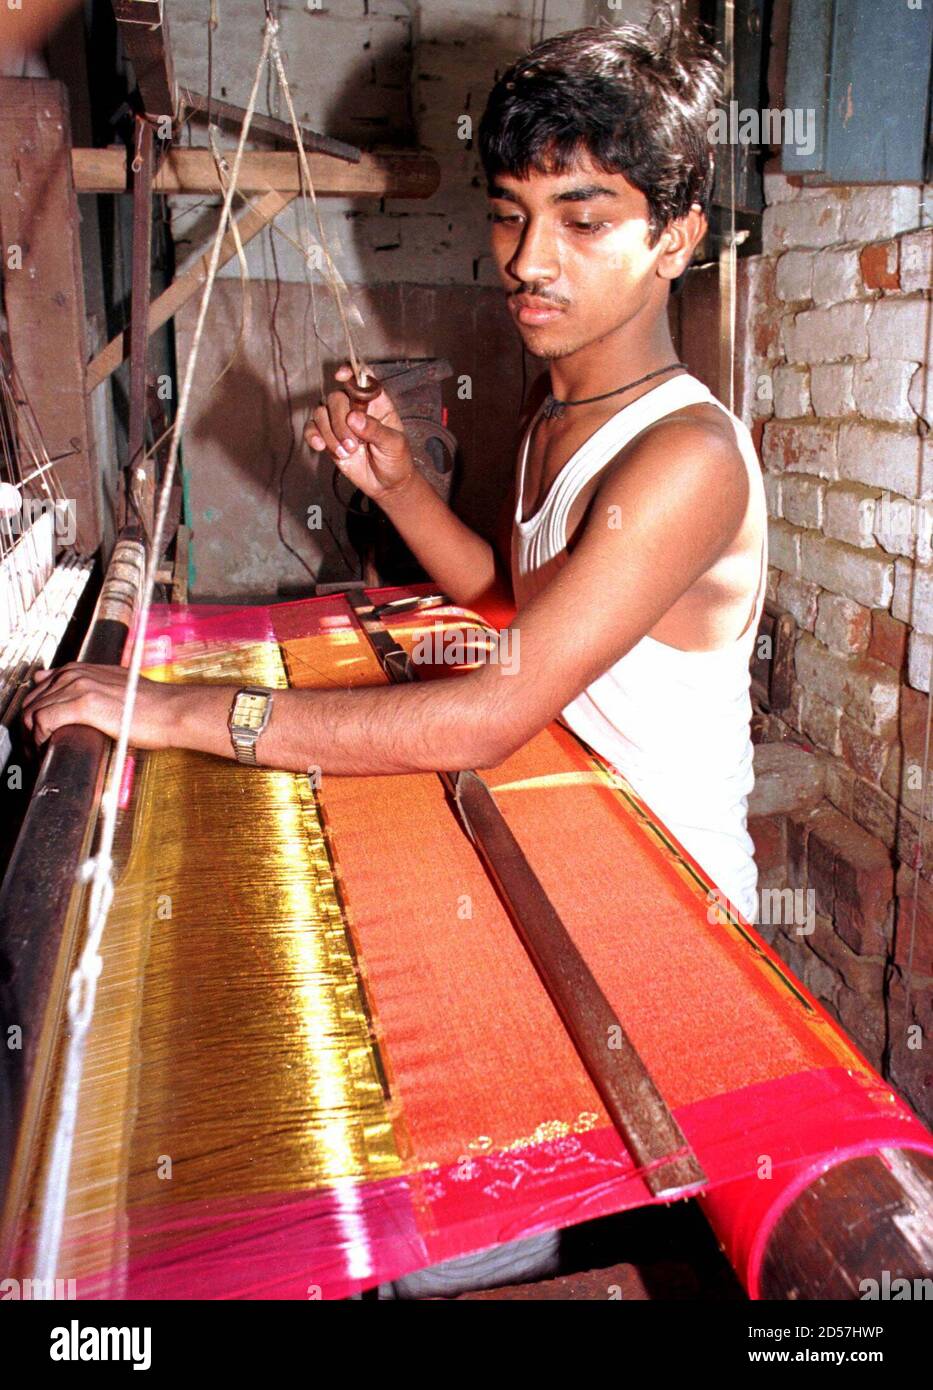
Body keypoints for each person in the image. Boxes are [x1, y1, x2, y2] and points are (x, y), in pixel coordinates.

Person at [24, 16, 766, 1292]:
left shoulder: (684, 457)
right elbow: (519, 599)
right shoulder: (566, 412)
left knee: (408, 1251)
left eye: (585, 221)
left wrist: (194, 710)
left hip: (662, 932)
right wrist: (403, 485)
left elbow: (492, 705)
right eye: (512, 213)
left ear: (677, 239)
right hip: (561, 842)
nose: (530, 261)